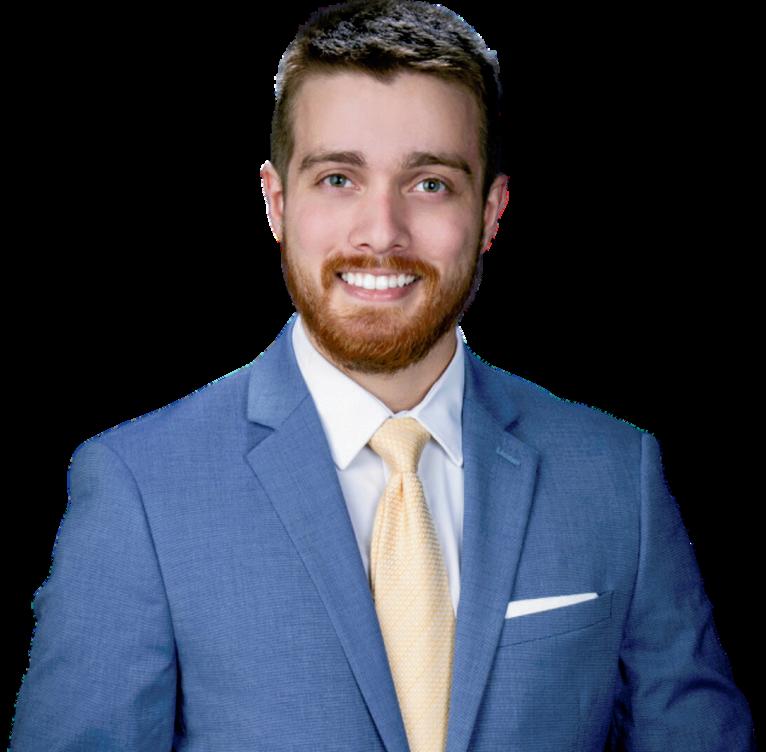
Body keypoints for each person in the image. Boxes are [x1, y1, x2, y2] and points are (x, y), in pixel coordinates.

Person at [10, 1, 756, 750]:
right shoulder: (139, 488)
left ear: (492, 210)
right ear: (277, 203)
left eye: (429, 184)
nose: (382, 233)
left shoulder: (616, 476)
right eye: (338, 178)